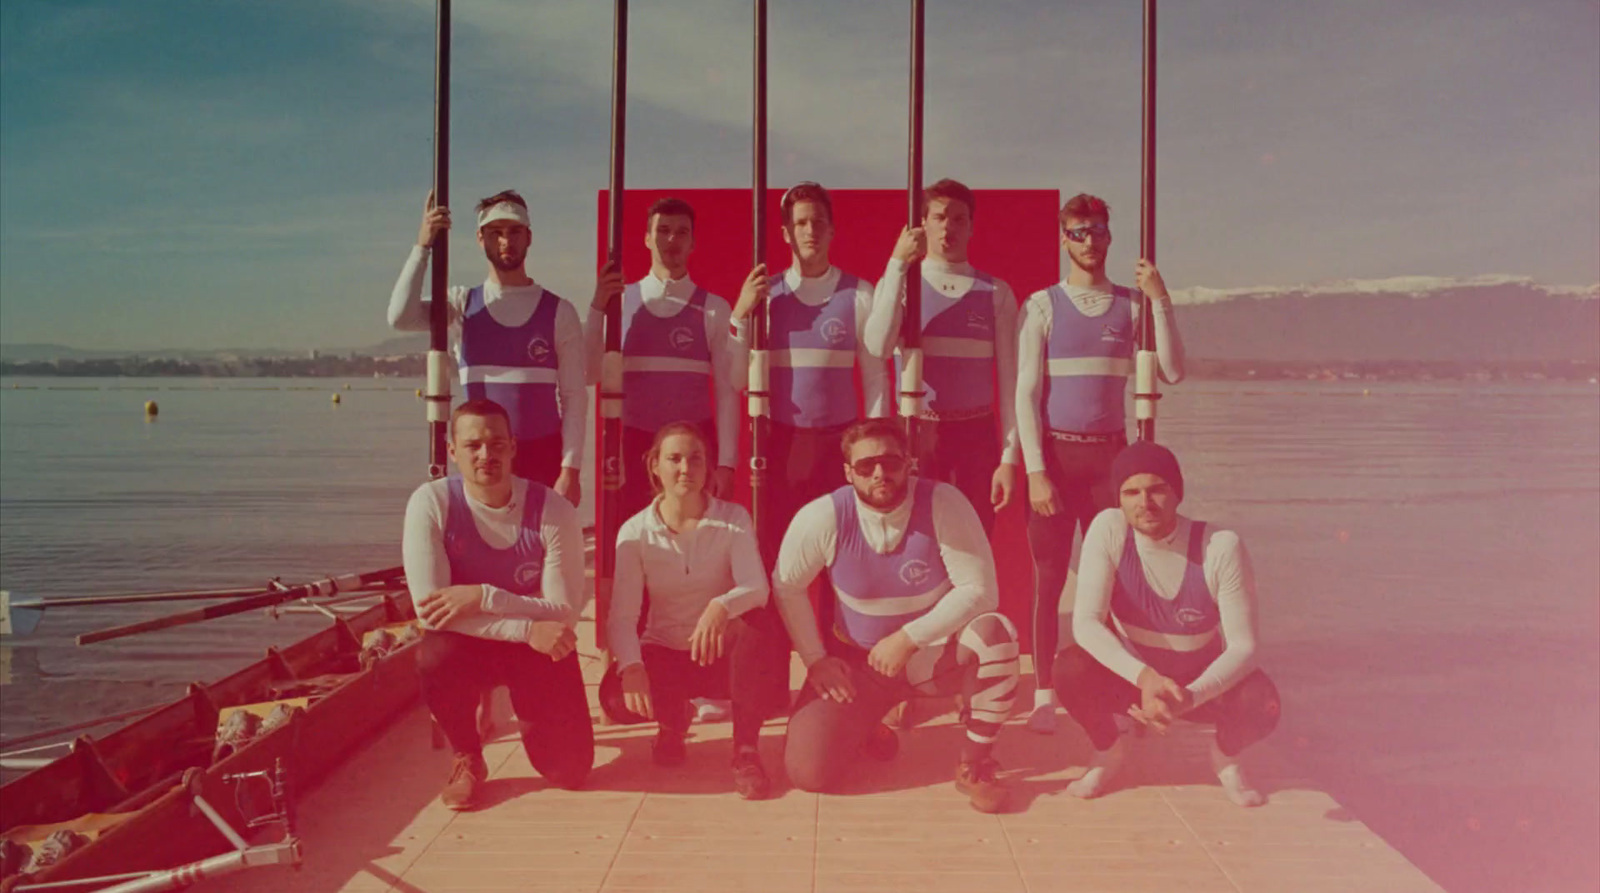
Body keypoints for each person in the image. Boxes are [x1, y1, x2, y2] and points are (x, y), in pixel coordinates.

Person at [772, 418, 1022, 813]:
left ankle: (975, 765)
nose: (879, 473)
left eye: (890, 462)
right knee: (809, 773)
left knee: (996, 634)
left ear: (909, 462)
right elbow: (786, 584)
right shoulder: (824, 516)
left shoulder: (944, 502)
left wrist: (908, 639)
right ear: (848, 472)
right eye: (866, 465)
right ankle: (866, 722)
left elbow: (980, 591)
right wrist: (815, 660)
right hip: (862, 663)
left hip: (929, 658)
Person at [1015, 193, 1187, 733]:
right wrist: (1036, 469)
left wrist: (1160, 298)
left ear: (1110, 237)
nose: (1089, 242)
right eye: (1078, 233)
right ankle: (1044, 694)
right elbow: (1025, 393)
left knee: (1115, 581)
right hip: (1057, 461)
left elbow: (1173, 373)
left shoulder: (1131, 305)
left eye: (1098, 232)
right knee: (1048, 580)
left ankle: (1122, 686)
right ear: (1064, 239)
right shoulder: (1042, 305)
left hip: (1111, 460)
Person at [1053, 440, 1280, 806]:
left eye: (1157, 489)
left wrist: (1188, 696)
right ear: (1119, 499)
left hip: (1195, 687)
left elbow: (1244, 646)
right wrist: (1145, 679)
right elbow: (1086, 623)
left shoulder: (1220, 546)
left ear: (1177, 493)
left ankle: (1225, 756)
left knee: (1263, 701)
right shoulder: (1109, 529)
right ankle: (1108, 750)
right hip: (1135, 682)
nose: (1144, 503)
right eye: (1131, 492)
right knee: (1068, 669)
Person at [402, 399, 594, 810]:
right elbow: (429, 612)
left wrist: (481, 596)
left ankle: (516, 712)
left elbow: (562, 613)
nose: (485, 455)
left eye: (496, 444)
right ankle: (467, 755)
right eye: (472, 446)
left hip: (535, 649)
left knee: (571, 773)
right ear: (452, 451)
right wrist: (525, 626)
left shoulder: (554, 511)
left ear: (513, 448)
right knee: (433, 653)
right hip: (481, 644)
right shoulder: (430, 503)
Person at [606, 422, 781, 799]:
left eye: (696, 459)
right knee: (616, 699)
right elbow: (622, 616)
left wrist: (720, 606)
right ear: (654, 465)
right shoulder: (633, 533)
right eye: (674, 459)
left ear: (708, 469)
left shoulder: (732, 519)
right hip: (667, 651)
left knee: (758, 627)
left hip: (718, 652)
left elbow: (757, 589)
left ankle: (746, 751)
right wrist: (632, 669)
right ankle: (671, 724)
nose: (685, 469)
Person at [390, 189, 587, 506]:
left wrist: (571, 470)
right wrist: (423, 245)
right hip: (483, 459)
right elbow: (400, 316)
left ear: (529, 237)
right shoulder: (460, 304)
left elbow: (574, 397)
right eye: (495, 233)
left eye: (514, 232)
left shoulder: (559, 311)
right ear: (481, 239)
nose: (506, 241)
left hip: (542, 457)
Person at [731, 182, 890, 554]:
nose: (810, 231)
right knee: (780, 550)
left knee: (846, 549)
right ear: (786, 233)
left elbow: (876, 377)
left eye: (818, 223)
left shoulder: (859, 293)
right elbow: (737, 378)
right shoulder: (765, 296)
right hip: (784, 443)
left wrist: (874, 447)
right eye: (800, 223)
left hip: (842, 444)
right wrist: (740, 313)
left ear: (832, 230)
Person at [864, 178, 1021, 536]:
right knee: (917, 540)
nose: (947, 227)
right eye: (938, 217)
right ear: (923, 223)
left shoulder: (996, 292)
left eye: (958, 219)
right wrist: (897, 263)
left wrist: (1009, 459)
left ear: (971, 226)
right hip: (918, 432)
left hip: (976, 437)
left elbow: (1011, 383)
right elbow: (878, 346)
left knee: (975, 539)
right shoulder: (902, 282)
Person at [586, 198, 742, 522]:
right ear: (647, 238)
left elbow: (727, 392)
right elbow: (588, 373)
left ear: (693, 242)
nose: (672, 240)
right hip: (635, 447)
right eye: (663, 231)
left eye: (681, 232)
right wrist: (597, 308)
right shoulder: (619, 303)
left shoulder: (713, 308)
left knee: (696, 545)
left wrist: (726, 463)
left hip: (694, 447)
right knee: (636, 547)